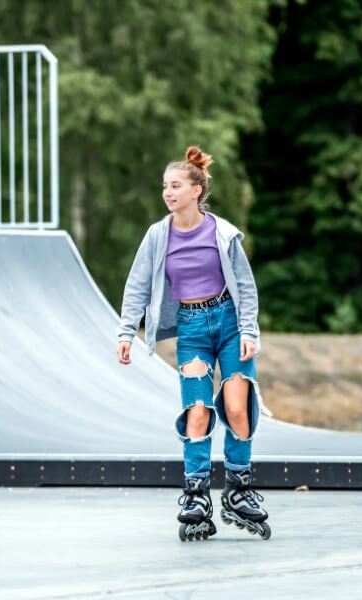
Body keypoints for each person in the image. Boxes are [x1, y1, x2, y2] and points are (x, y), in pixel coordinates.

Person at [116, 146, 272, 541]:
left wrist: (250, 331)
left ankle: (238, 490)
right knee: (198, 411)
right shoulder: (157, 236)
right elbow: (137, 285)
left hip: (229, 323)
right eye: (165, 187)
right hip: (192, 327)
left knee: (238, 408)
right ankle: (196, 494)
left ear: (196, 191)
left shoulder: (222, 233)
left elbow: (246, 287)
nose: (168, 193)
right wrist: (125, 332)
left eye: (176, 186)